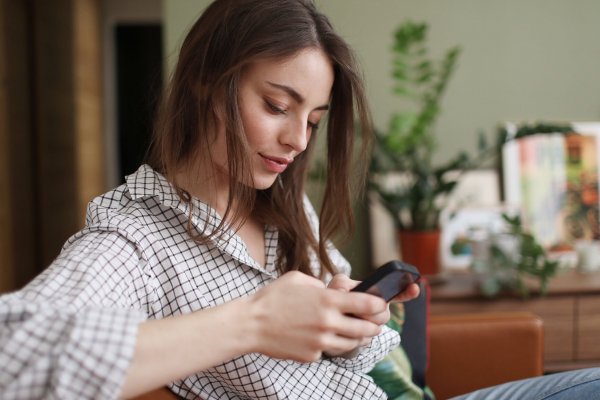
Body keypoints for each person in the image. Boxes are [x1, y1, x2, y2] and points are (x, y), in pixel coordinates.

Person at [0, 0, 420, 399]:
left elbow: (343, 363)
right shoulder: (134, 241)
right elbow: (11, 359)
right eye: (276, 106)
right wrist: (254, 322)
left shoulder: (287, 209)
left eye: (313, 121)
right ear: (207, 80)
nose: (297, 140)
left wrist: (346, 329)